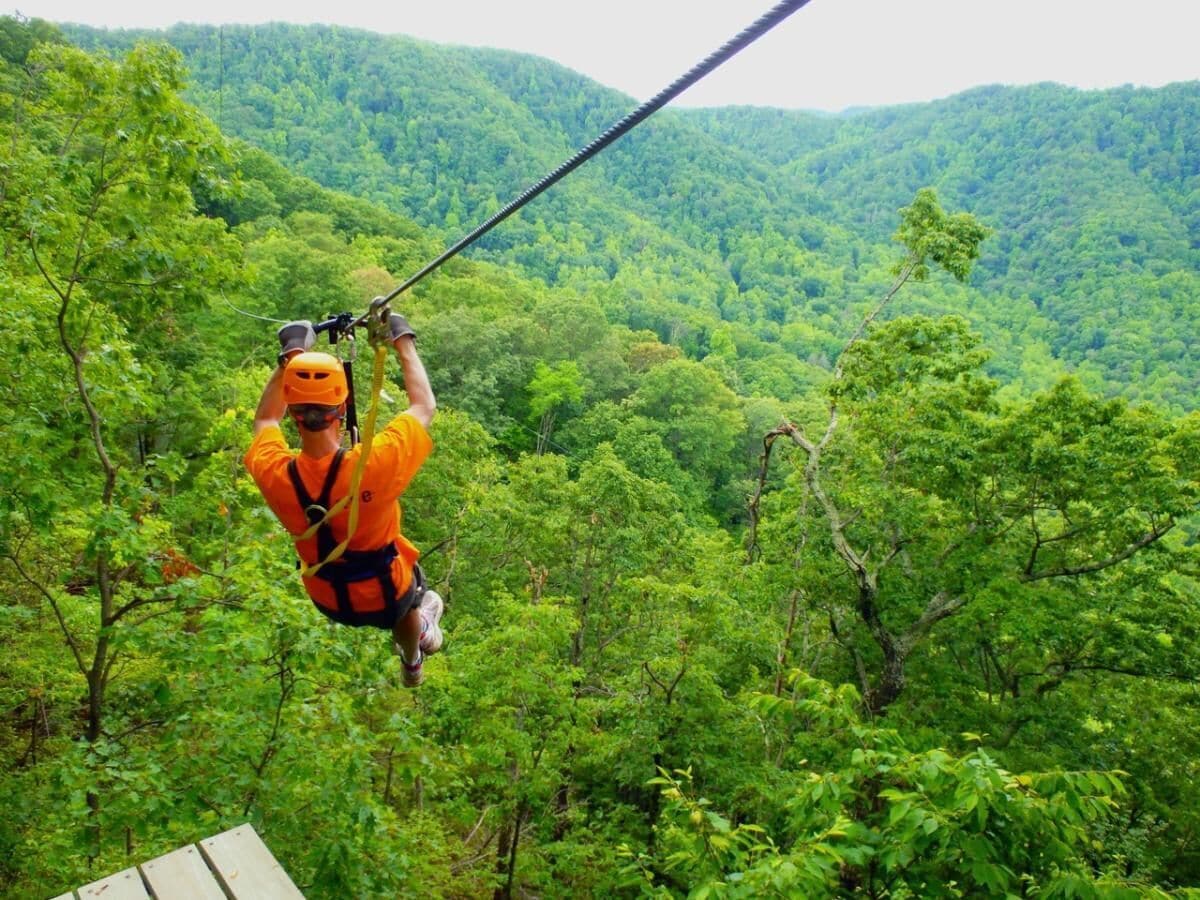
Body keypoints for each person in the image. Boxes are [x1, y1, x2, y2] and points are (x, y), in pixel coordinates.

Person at [243, 312, 442, 687]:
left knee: (400, 586)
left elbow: (265, 421)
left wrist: (291, 359)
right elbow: (423, 407)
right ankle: (413, 656)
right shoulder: (376, 464)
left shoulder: (273, 473)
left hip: (327, 597)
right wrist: (402, 341)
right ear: (342, 407)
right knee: (410, 594)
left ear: (293, 410)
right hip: (387, 595)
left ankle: (416, 646)